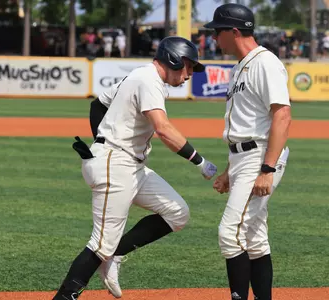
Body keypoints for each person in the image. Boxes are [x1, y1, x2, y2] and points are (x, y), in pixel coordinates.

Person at [53, 36, 218, 300]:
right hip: (115, 164)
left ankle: (117, 254)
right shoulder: (147, 79)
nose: (189, 74)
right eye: (188, 66)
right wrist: (199, 160)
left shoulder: (144, 78)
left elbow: (99, 103)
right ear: (174, 59)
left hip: (130, 166)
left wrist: (100, 139)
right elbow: (163, 129)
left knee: (177, 212)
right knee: (99, 245)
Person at [204, 4, 292, 300]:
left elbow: (282, 115)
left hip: (260, 157)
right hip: (243, 157)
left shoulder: (265, 63)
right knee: (254, 238)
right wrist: (231, 170)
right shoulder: (240, 67)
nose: (214, 38)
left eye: (218, 32)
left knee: (230, 234)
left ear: (235, 31)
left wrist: (266, 170)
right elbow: (246, 123)